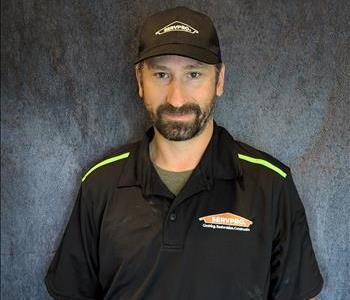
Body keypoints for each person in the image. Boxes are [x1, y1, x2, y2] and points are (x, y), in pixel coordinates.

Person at [45, 6, 323, 300]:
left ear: (219, 80)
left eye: (193, 74)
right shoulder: (100, 184)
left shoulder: (271, 185)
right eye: (162, 74)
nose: (176, 98)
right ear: (140, 81)